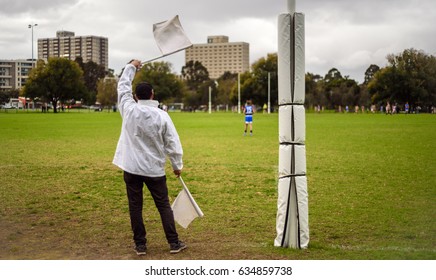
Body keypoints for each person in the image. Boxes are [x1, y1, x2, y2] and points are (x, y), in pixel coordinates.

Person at [112, 59, 186, 256]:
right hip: (154, 169)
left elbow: (122, 87)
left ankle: (140, 245)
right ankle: (174, 242)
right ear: (152, 94)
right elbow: (172, 142)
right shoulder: (162, 115)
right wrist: (177, 165)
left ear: (136, 96)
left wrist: (131, 67)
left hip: (132, 168)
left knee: (135, 207)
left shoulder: (128, 109)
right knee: (163, 206)